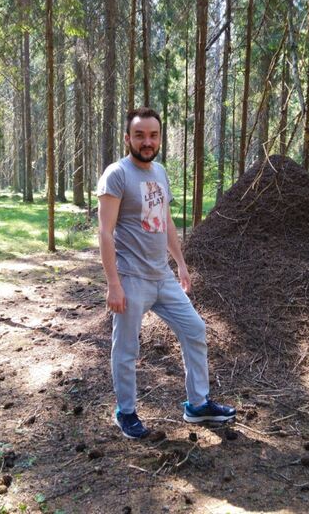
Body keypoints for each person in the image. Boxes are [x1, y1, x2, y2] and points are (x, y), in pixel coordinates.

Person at [97, 107, 236, 439]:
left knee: (195, 329)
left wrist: (181, 264)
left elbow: (167, 222)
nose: (147, 142)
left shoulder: (159, 172)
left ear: (159, 138)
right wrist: (113, 283)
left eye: (153, 135)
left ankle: (197, 405)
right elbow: (105, 232)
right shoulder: (117, 174)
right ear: (128, 138)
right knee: (126, 349)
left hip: (162, 276)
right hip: (131, 278)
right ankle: (126, 412)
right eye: (140, 135)